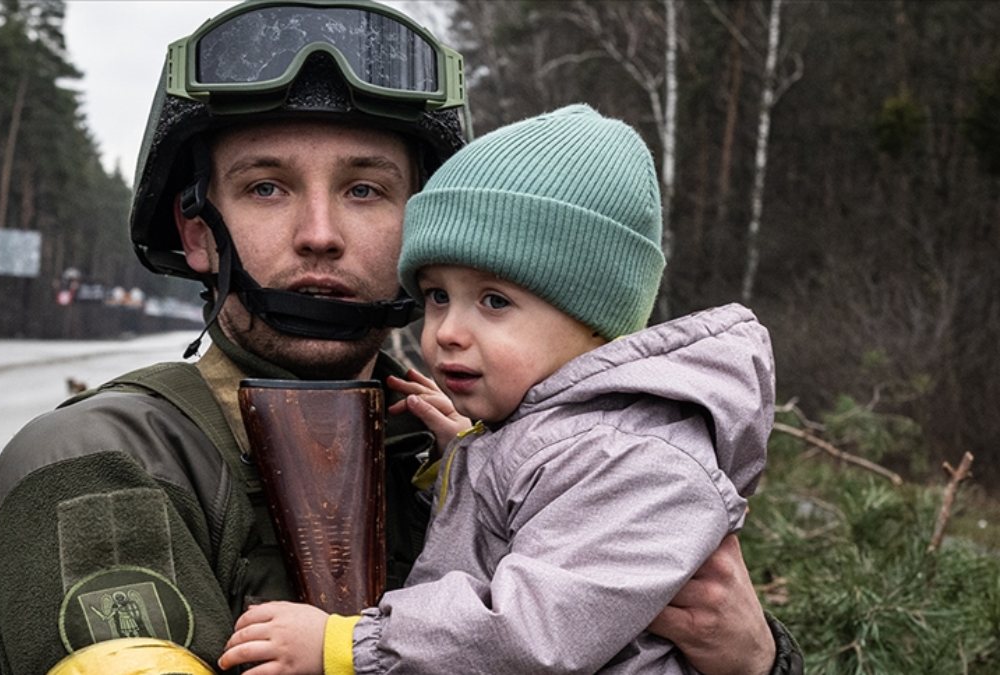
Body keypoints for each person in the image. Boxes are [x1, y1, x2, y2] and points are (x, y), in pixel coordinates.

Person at [0, 2, 799, 673]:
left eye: (365, 190)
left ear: (423, 227)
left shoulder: (518, 441)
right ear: (198, 230)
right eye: (266, 188)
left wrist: (757, 661)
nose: (320, 232)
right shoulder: (98, 463)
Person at [216, 103, 779, 674]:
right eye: (438, 296)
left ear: (595, 321)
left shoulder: (632, 457)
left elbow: (532, 632)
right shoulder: (557, 437)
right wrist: (468, 454)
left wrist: (346, 647)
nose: (448, 333)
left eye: (494, 301)